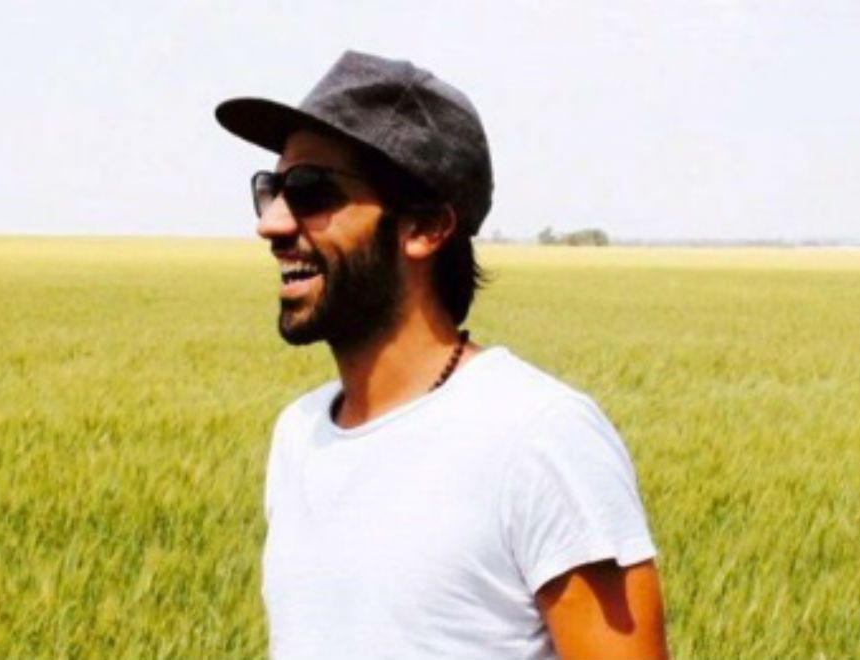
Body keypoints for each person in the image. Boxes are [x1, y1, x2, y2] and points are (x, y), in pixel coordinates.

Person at [215, 50, 668, 659]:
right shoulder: (299, 433)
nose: (271, 223)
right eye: (269, 189)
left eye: (309, 191)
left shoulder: (539, 437)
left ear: (425, 228)